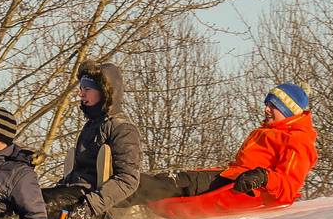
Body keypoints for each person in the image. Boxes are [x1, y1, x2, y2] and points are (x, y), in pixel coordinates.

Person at [122, 82, 318, 209]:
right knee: (171, 182)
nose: (266, 109)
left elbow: (289, 188)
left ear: (289, 110)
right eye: (267, 103)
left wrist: (263, 177)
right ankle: (112, 193)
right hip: (232, 179)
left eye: (273, 105)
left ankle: (110, 194)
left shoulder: (297, 140)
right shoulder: (274, 130)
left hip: (240, 190)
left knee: (172, 184)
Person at [40, 60, 142, 219]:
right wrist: (61, 186)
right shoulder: (92, 126)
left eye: (87, 89)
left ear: (104, 92)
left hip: (94, 206)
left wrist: (89, 208)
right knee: (29, 198)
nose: (81, 94)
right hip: (75, 194)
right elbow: (81, 172)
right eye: (81, 88)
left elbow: (128, 179)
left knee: (35, 204)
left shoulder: (122, 128)